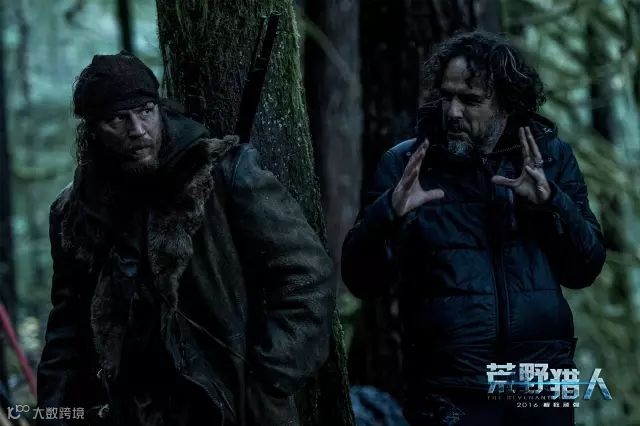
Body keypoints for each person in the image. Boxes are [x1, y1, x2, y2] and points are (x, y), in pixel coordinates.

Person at [36, 51, 335, 426]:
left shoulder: (225, 176)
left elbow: (308, 277)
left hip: (228, 405)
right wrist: (54, 411)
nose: (138, 129)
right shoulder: (75, 213)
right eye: (117, 119)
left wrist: (269, 377)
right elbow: (67, 327)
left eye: (145, 111)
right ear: (93, 131)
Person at [342, 32, 606, 425]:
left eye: (469, 100)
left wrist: (552, 203)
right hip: (452, 389)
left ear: (505, 103)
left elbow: (585, 268)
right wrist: (388, 214)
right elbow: (361, 280)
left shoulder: (549, 158)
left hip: (541, 384)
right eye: (446, 96)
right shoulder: (407, 166)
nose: (452, 112)